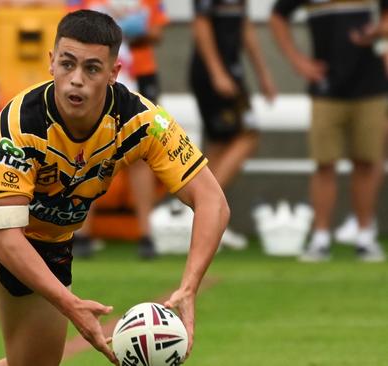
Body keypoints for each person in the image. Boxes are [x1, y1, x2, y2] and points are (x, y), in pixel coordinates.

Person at [0, 9, 229, 366]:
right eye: (67, 64)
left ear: (114, 74)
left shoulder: (145, 122)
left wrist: (189, 287)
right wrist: (71, 306)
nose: (76, 80)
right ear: (51, 63)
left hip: (49, 238)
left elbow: (213, 202)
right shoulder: (22, 122)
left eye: (92, 69)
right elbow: (5, 238)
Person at [270, 0, 388, 262]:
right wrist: (297, 61)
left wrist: (379, 31)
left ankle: (364, 235)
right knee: (324, 163)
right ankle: (321, 237)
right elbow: (278, 17)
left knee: (367, 162)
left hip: (371, 84)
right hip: (327, 86)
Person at [67, 0, 170, 259]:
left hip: (139, 75)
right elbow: (70, 29)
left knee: (142, 151)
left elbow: (156, 31)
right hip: (94, 75)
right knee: (88, 146)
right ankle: (81, 233)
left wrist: (123, 31)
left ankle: (146, 234)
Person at [189, 0, 277, 250]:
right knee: (248, 135)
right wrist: (216, 72)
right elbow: (201, 24)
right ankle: (205, 212)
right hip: (212, 74)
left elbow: (244, 26)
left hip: (232, 71)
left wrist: (263, 73)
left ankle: (204, 222)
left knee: (219, 144)